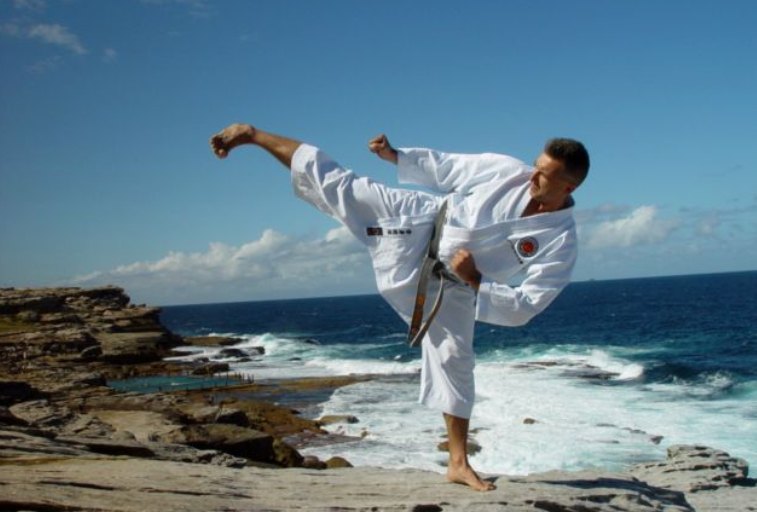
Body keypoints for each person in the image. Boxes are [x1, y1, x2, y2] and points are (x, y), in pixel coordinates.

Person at [210, 123, 589, 492]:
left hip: (456, 284)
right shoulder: (509, 171)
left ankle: (458, 463)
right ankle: (253, 135)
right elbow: (451, 167)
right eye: (535, 166)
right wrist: (396, 157)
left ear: (568, 187)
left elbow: (526, 306)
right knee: (343, 187)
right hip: (422, 221)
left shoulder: (561, 242)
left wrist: (476, 280)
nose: (531, 177)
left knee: (455, 358)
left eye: (543, 175)